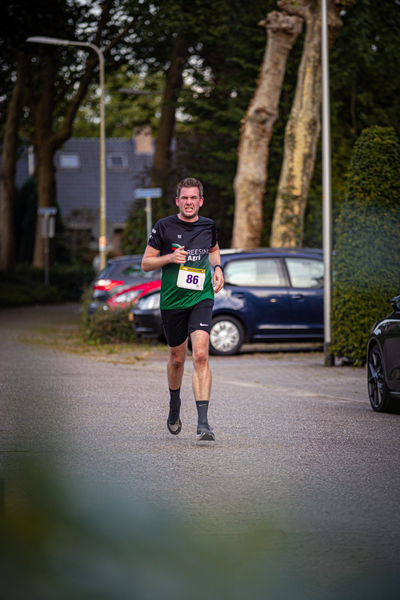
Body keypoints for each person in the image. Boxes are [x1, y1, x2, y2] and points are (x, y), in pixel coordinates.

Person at [141, 177, 224, 441]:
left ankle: (203, 423)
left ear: (201, 201)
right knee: (177, 359)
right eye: (184, 198)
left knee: (200, 355)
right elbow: (145, 263)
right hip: (172, 301)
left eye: (194, 198)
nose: (189, 202)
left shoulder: (208, 225)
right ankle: (174, 405)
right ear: (178, 201)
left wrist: (218, 268)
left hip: (201, 297)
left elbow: (213, 250)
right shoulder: (163, 226)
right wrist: (169, 258)